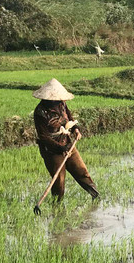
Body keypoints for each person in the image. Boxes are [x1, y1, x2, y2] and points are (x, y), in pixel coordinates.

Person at [32, 79, 99, 210]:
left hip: (68, 144)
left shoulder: (62, 103)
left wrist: (75, 129)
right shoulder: (40, 112)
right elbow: (44, 136)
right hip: (52, 150)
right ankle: (57, 208)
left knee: (82, 171)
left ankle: (96, 195)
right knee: (59, 181)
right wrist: (61, 148)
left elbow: (69, 117)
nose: (57, 100)